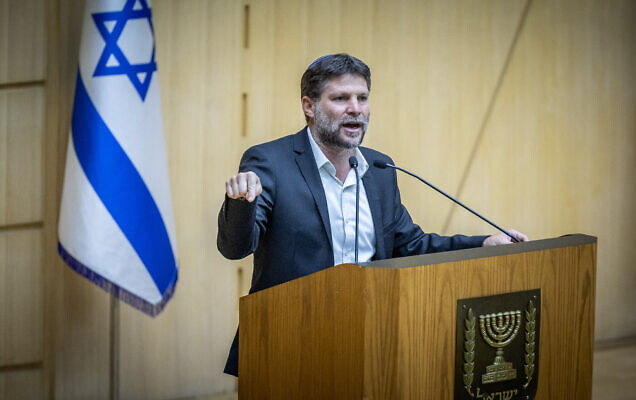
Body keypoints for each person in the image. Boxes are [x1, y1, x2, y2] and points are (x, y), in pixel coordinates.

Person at [217, 53, 527, 377]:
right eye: (341, 98)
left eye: (362, 98)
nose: (356, 108)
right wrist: (241, 202)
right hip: (287, 343)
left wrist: (484, 244)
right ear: (309, 106)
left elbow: (411, 246)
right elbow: (235, 248)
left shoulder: (379, 169)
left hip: (369, 339)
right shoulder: (271, 161)